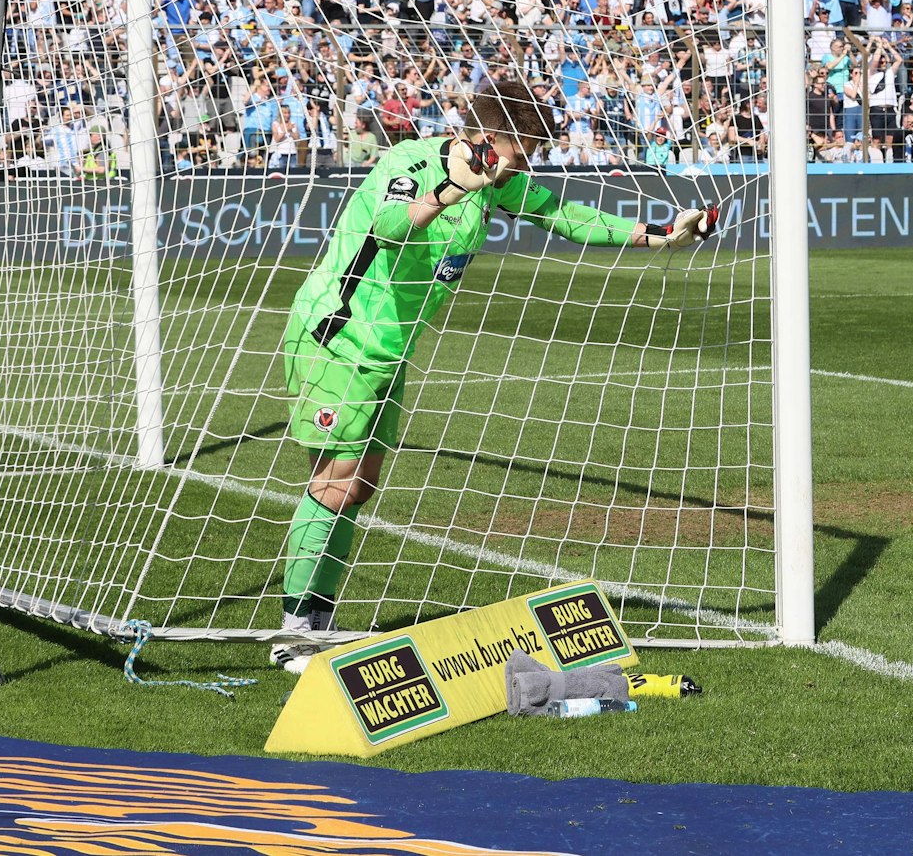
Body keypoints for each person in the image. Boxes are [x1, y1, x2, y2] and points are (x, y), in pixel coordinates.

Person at [270, 81, 719, 671]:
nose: (528, 164)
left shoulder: (499, 182)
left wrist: (661, 233)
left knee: (357, 488)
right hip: (338, 333)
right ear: (490, 141)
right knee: (335, 482)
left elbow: (565, 216)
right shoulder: (415, 161)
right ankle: (294, 634)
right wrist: (451, 189)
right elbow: (386, 225)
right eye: (525, 150)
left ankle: (318, 620)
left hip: (389, 347)